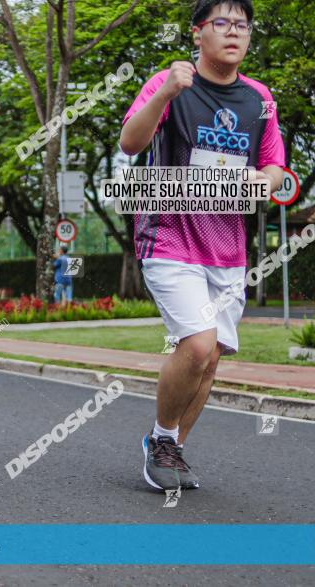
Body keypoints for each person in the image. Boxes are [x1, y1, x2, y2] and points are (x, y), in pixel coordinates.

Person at [119, 0, 283, 490]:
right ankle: (162, 437)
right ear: (198, 33)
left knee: (210, 360)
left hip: (227, 247)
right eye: (222, 23)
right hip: (167, 234)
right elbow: (130, 142)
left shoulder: (259, 99)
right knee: (197, 344)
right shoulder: (170, 82)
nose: (234, 33)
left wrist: (264, 181)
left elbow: (274, 164)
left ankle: (169, 448)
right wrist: (165, 91)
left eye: (242, 26)